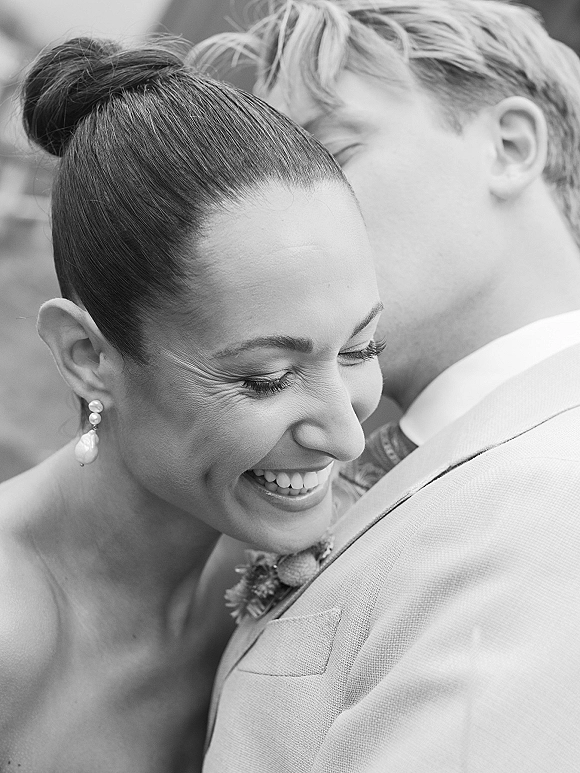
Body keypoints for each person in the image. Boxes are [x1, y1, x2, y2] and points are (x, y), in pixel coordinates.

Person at [192, 1, 580, 770]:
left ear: (508, 147)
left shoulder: (556, 490)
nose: (284, 224)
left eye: (329, 155)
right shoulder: (362, 457)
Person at [0, 36, 384, 771]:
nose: (346, 436)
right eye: (267, 376)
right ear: (88, 357)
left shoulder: (286, 564)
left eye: (361, 348)